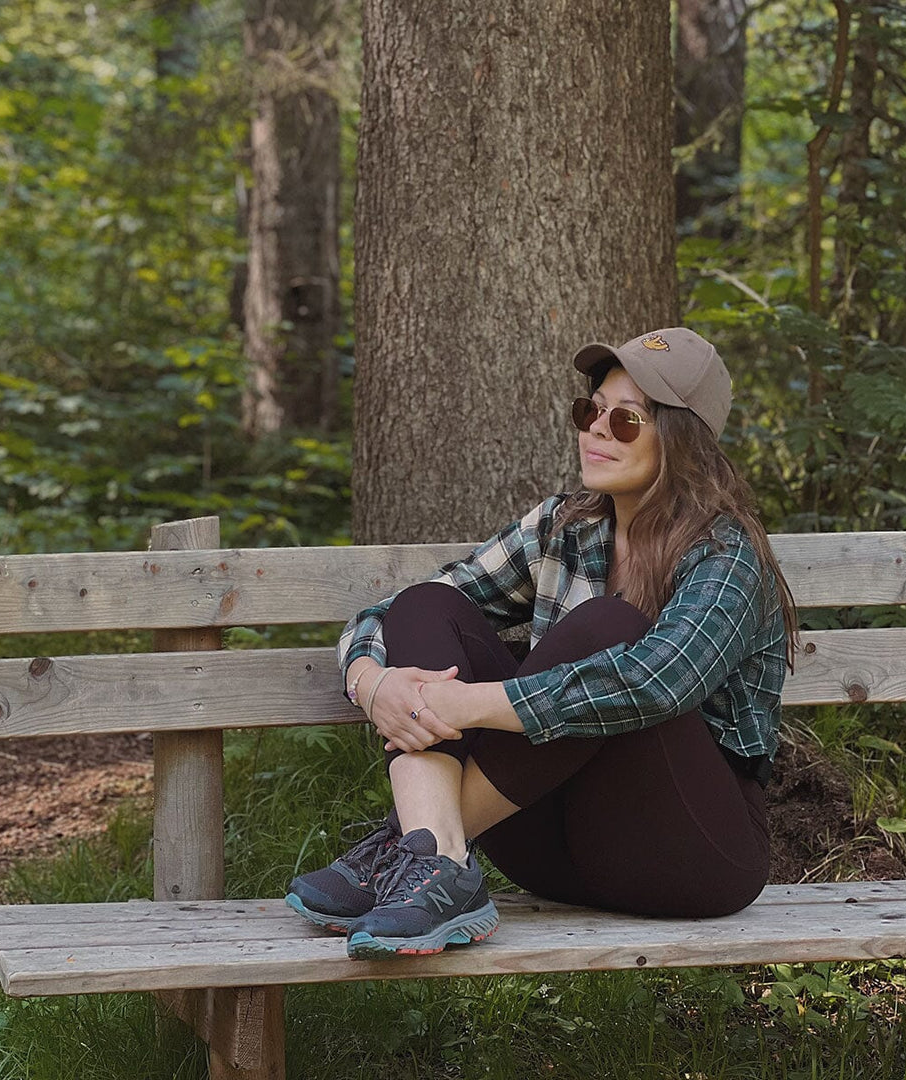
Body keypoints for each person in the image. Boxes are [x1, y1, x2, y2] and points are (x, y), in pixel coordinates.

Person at [286, 327, 797, 961]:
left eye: (628, 420)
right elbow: (395, 612)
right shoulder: (565, 525)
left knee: (604, 629)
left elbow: (655, 680)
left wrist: (468, 705)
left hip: (690, 853)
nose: (597, 430)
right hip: (553, 849)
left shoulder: (726, 554)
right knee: (427, 605)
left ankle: (401, 851)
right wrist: (372, 680)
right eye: (591, 410)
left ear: (683, 439)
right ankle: (432, 858)